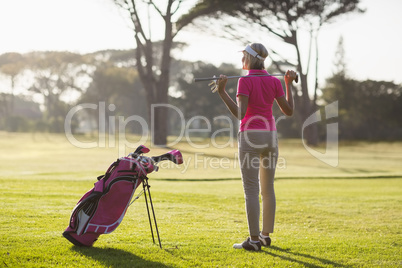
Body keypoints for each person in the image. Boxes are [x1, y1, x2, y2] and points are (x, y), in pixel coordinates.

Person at [215, 43, 297, 251]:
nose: (241, 60)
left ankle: (253, 241)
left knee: (251, 190)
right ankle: (265, 236)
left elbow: (241, 114)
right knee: (267, 189)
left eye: (243, 56)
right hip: (270, 136)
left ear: (248, 59)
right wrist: (288, 84)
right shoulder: (274, 81)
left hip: (250, 135)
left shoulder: (245, 80)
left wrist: (222, 92)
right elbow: (288, 111)